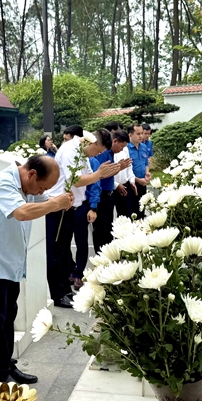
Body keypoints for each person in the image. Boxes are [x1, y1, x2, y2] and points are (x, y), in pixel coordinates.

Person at [0, 155, 74, 385]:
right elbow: (22, 212)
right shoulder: (3, 182)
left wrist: (62, 200)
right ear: (32, 174)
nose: (41, 192)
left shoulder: (27, 185)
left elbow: (46, 200)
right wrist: (55, 204)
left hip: (10, 265)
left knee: (7, 319)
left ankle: (7, 365)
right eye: (42, 187)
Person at [45, 132, 126, 308]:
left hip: (72, 206)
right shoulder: (70, 150)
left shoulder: (83, 153)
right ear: (92, 143)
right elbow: (75, 180)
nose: (97, 155)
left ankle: (65, 290)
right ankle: (57, 294)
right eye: (98, 151)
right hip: (59, 206)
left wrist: (102, 174)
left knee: (64, 251)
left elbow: (91, 176)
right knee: (56, 253)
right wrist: (99, 174)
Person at [73, 129, 116, 286]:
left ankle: (79, 273)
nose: (98, 153)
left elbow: (95, 186)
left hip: (83, 205)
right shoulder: (71, 158)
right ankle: (70, 270)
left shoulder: (92, 162)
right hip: (66, 205)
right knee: (63, 242)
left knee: (81, 241)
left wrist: (93, 207)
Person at [127, 124, 151, 215]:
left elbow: (146, 163)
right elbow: (126, 170)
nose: (141, 136)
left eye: (141, 133)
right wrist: (137, 180)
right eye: (138, 134)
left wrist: (147, 173)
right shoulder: (126, 149)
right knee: (132, 211)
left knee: (142, 209)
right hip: (132, 184)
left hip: (143, 183)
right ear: (130, 135)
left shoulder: (144, 147)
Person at [111, 130, 137, 218]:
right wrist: (116, 185)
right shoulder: (108, 152)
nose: (122, 149)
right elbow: (104, 173)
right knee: (108, 219)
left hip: (125, 187)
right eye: (121, 146)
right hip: (112, 188)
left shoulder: (125, 149)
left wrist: (132, 181)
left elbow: (129, 167)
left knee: (126, 215)